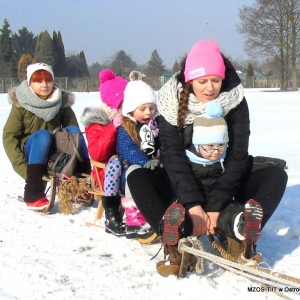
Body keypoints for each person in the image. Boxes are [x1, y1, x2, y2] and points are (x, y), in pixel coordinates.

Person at [126, 39, 288, 275]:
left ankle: (241, 233)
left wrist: (215, 206)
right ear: (191, 80)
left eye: (216, 80)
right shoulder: (172, 102)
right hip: (183, 181)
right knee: (137, 177)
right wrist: (192, 204)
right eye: (202, 81)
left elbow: (238, 154)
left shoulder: (235, 101)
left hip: (226, 179)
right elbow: (172, 156)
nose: (210, 88)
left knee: (275, 175)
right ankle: (176, 236)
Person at [3, 63, 91, 211]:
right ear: (30, 83)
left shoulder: (60, 101)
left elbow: (73, 135)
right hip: (31, 150)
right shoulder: (21, 103)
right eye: (38, 81)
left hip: (54, 149)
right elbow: (9, 137)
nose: (44, 85)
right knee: (43, 135)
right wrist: (25, 171)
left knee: (74, 131)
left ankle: (82, 184)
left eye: (48, 80)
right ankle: (33, 192)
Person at [81, 69, 128, 236]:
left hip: (126, 165)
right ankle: (111, 215)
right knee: (115, 165)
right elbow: (96, 153)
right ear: (113, 102)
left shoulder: (129, 119)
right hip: (104, 172)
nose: (126, 106)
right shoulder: (96, 123)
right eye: (123, 103)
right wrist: (112, 128)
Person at [116, 74, 159, 239]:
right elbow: (127, 149)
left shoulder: (155, 126)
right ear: (131, 110)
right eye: (143, 109)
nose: (148, 112)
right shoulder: (126, 128)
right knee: (134, 175)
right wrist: (145, 161)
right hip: (130, 169)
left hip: (153, 167)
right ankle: (133, 222)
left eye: (151, 108)